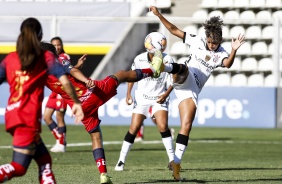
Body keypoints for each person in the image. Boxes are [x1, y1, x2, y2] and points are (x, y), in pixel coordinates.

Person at [42, 38, 187, 183]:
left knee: (95, 136)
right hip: (93, 92)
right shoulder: (58, 61)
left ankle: (103, 174)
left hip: (80, 107)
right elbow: (71, 71)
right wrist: (86, 81)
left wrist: (77, 66)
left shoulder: (41, 72)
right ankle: (153, 70)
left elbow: (68, 73)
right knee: (121, 75)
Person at [150, 6, 246, 181]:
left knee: (186, 125)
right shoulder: (197, 40)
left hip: (191, 89)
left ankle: (176, 165)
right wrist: (158, 15)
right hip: (184, 75)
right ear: (207, 38)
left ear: (220, 41)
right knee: (185, 69)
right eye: (209, 42)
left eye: (214, 43)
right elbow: (173, 30)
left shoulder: (222, 53)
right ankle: (162, 66)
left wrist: (234, 50)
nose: (211, 45)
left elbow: (228, 64)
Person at [0, 17, 84, 183]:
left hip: (12, 115)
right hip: (27, 118)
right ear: (40, 36)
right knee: (19, 167)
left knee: (45, 161)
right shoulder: (45, 57)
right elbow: (65, 80)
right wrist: (76, 102)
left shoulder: (10, 58)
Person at [115, 32, 175, 172]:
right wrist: (128, 93)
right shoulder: (139, 59)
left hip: (159, 98)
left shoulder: (168, 59)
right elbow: (132, 76)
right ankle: (121, 161)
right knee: (134, 128)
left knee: (162, 125)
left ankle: (173, 160)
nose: (158, 53)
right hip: (141, 98)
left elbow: (174, 81)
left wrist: (166, 95)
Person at [43, 36, 86, 153]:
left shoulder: (64, 57)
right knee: (46, 117)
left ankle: (61, 144)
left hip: (62, 89)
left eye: (59, 45)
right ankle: (60, 139)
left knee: (59, 116)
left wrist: (77, 66)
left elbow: (68, 72)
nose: (57, 47)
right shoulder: (47, 58)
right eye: (55, 45)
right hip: (53, 90)